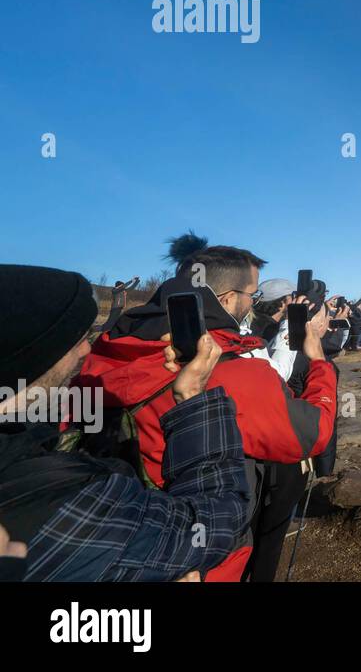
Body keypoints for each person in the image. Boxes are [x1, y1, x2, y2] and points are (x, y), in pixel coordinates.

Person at [75, 239, 337, 582]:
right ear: (227, 299)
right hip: (198, 554)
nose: (253, 302)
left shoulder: (106, 351)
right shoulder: (231, 371)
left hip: (107, 542)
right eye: (250, 294)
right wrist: (319, 362)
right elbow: (312, 433)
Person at [0, 264, 251, 581]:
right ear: (35, 355)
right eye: (77, 336)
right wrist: (193, 397)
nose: (89, 348)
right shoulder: (73, 502)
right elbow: (217, 522)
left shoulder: (28, 437)